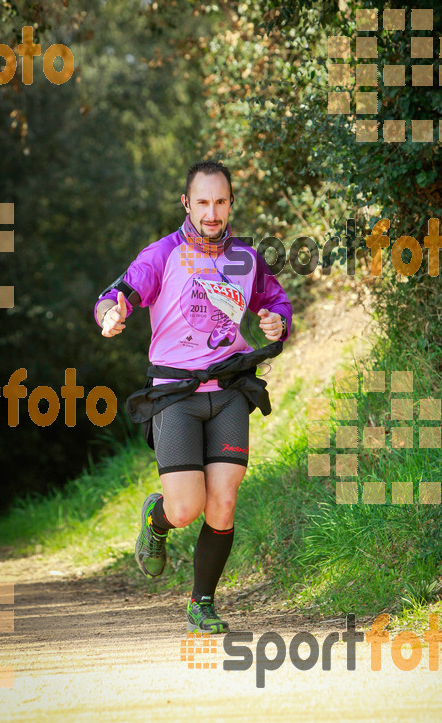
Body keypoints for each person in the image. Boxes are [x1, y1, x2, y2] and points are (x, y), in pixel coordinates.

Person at [94, 159, 293, 634]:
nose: (212, 211)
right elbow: (119, 292)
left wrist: (277, 320)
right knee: (186, 509)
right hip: (175, 394)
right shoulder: (162, 255)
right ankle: (156, 519)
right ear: (187, 203)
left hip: (227, 390)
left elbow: (276, 300)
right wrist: (109, 312)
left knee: (222, 500)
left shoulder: (246, 257)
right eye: (202, 202)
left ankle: (202, 603)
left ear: (230, 204)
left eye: (220, 201)